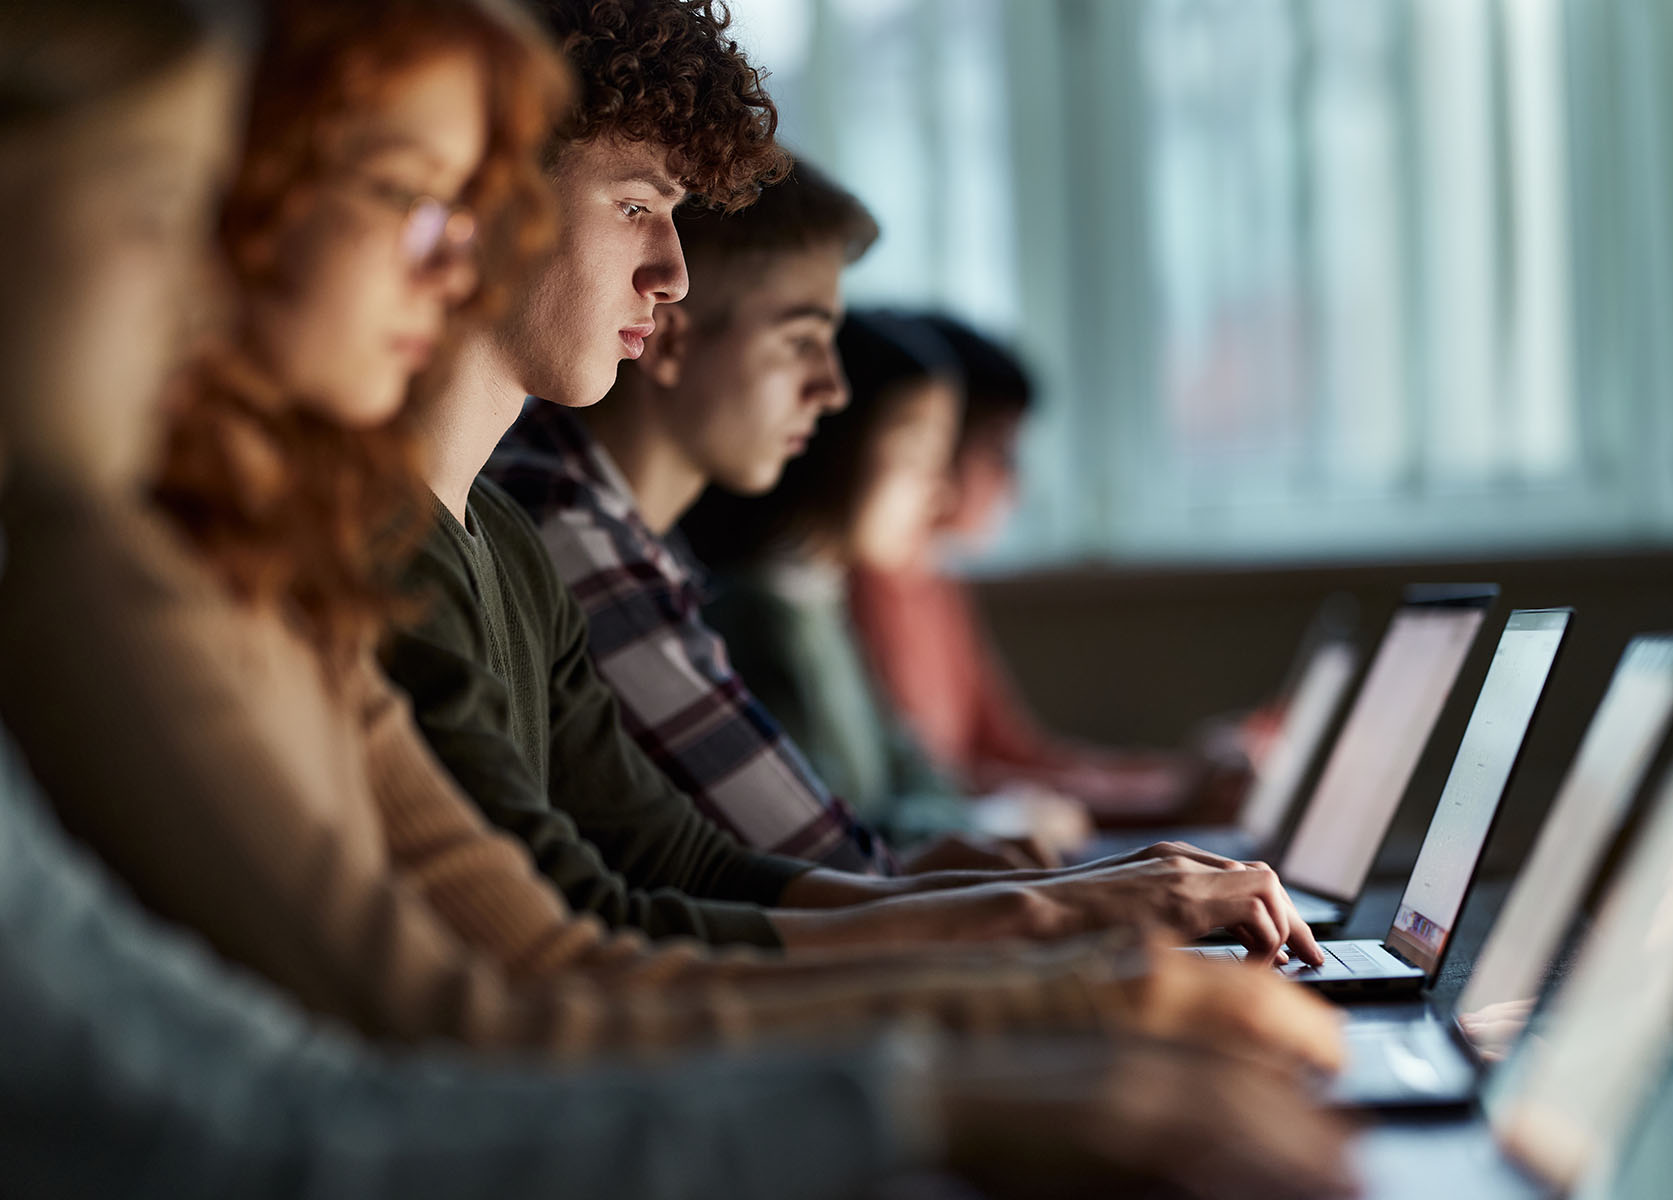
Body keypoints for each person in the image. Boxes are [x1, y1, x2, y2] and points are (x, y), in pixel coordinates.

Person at [0, 3, 1359, 1196]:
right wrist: (1009, 1027)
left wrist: (1051, 980)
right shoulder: (115, 572)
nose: (458, 257)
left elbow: (575, 940)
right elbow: (448, 1021)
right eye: (162, 211)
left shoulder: (354, 561)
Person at [391, 0, 1328, 962]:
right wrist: (1047, 915)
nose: (673, 275)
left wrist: (1076, 896)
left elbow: (686, 861)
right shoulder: (425, 538)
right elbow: (579, 931)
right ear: (492, 198)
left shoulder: (504, 536)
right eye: (636, 208)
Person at [488, 157, 1060, 873]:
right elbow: (829, 867)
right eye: (799, 341)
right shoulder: (567, 523)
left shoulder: (641, 542)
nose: (832, 390)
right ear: (669, 340)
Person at [679, 310, 1085, 857]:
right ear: (830, 443)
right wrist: (970, 826)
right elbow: (823, 830)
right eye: (914, 455)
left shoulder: (822, 598)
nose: (938, 491)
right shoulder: (756, 613)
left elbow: (923, 777)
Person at [848, 313, 1236, 822]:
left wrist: (1170, 779)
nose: (1014, 482)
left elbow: (1009, 752)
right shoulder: (855, 592)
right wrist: (1162, 798)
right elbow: (946, 784)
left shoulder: (933, 581)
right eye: (998, 452)